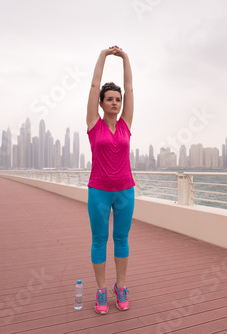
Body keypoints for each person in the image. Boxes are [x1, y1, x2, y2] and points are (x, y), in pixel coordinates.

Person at [86, 46, 135, 314]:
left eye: (118, 99)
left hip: (126, 190)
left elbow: (130, 88)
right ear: (102, 103)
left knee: (122, 239)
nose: (115, 102)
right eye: (110, 99)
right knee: (99, 240)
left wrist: (126, 58)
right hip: (99, 191)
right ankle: (102, 290)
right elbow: (95, 84)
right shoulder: (94, 124)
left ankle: (121, 286)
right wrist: (104, 55)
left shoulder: (126, 123)